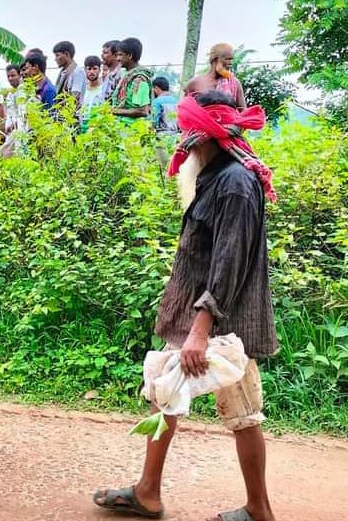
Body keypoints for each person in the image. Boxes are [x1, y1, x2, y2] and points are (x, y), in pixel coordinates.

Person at [93, 90, 278, 521]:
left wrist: (200, 330)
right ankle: (148, 491)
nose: (180, 139)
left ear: (202, 134)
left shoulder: (234, 184)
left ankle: (258, 509)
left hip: (219, 324)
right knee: (167, 392)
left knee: (244, 412)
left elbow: (228, 264)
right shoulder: (215, 175)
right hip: (201, 315)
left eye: (184, 130)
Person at [184, 43, 247, 110]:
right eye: (227, 59)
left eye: (231, 59)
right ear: (214, 59)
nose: (230, 63)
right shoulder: (195, 83)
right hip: (200, 120)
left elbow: (243, 111)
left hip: (229, 120)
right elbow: (184, 110)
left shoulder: (234, 82)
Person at [110, 37, 153, 124]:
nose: (117, 58)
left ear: (130, 55)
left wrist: (114, 111)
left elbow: (143, 111)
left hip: (133, 131)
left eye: (120, 55)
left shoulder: (140, 80)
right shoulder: (127, 76)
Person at [0, 64, 30, 157]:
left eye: (13, 75)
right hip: (11, 131)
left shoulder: (23, 91)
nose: (10, 78)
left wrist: (14, 124)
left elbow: (22, 112)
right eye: (8, 76)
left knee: (5, 153)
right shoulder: (12, 92)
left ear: (20, 75)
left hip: (19, 130)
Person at [52, 40, 86, 114]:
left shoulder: (77, 72)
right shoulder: (63, 73)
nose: (55, 59)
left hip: (72, 119)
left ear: (67, 54)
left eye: (57, 55)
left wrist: (55, 107)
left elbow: (74, 98)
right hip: (60, 117)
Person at [79, 55, 105, 132]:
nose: (92, 72)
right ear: (85, 70)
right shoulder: (82, 90)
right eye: (89, 69)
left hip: (99, 130)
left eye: (95, 69)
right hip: (83, 130)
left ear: (100, 70)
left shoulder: (103, 90)